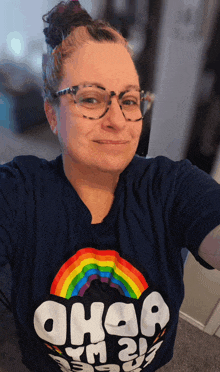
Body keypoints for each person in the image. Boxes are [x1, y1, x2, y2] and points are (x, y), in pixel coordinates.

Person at [0, 1, 220, 371]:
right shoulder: (21, 190)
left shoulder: (173, 186)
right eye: (90, 98)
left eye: (130, 100)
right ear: (52, 114)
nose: (118, 121)